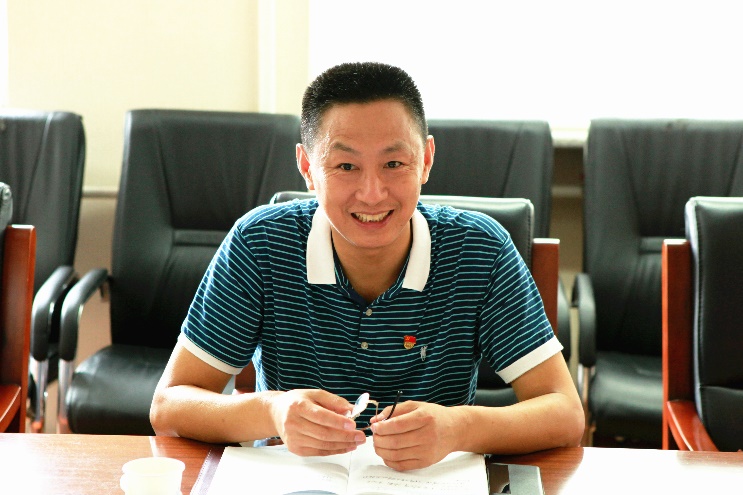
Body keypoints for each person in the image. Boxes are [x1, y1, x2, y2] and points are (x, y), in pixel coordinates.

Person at [150, 61, 584, 471]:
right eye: (346, 166)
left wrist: (459, 427)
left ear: (426, 160)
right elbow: (169, 405)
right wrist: (273, 411)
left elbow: (565, 413)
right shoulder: (260, 242)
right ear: (307, 168)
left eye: (394, 163)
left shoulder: (479, 249)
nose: (373, 194)